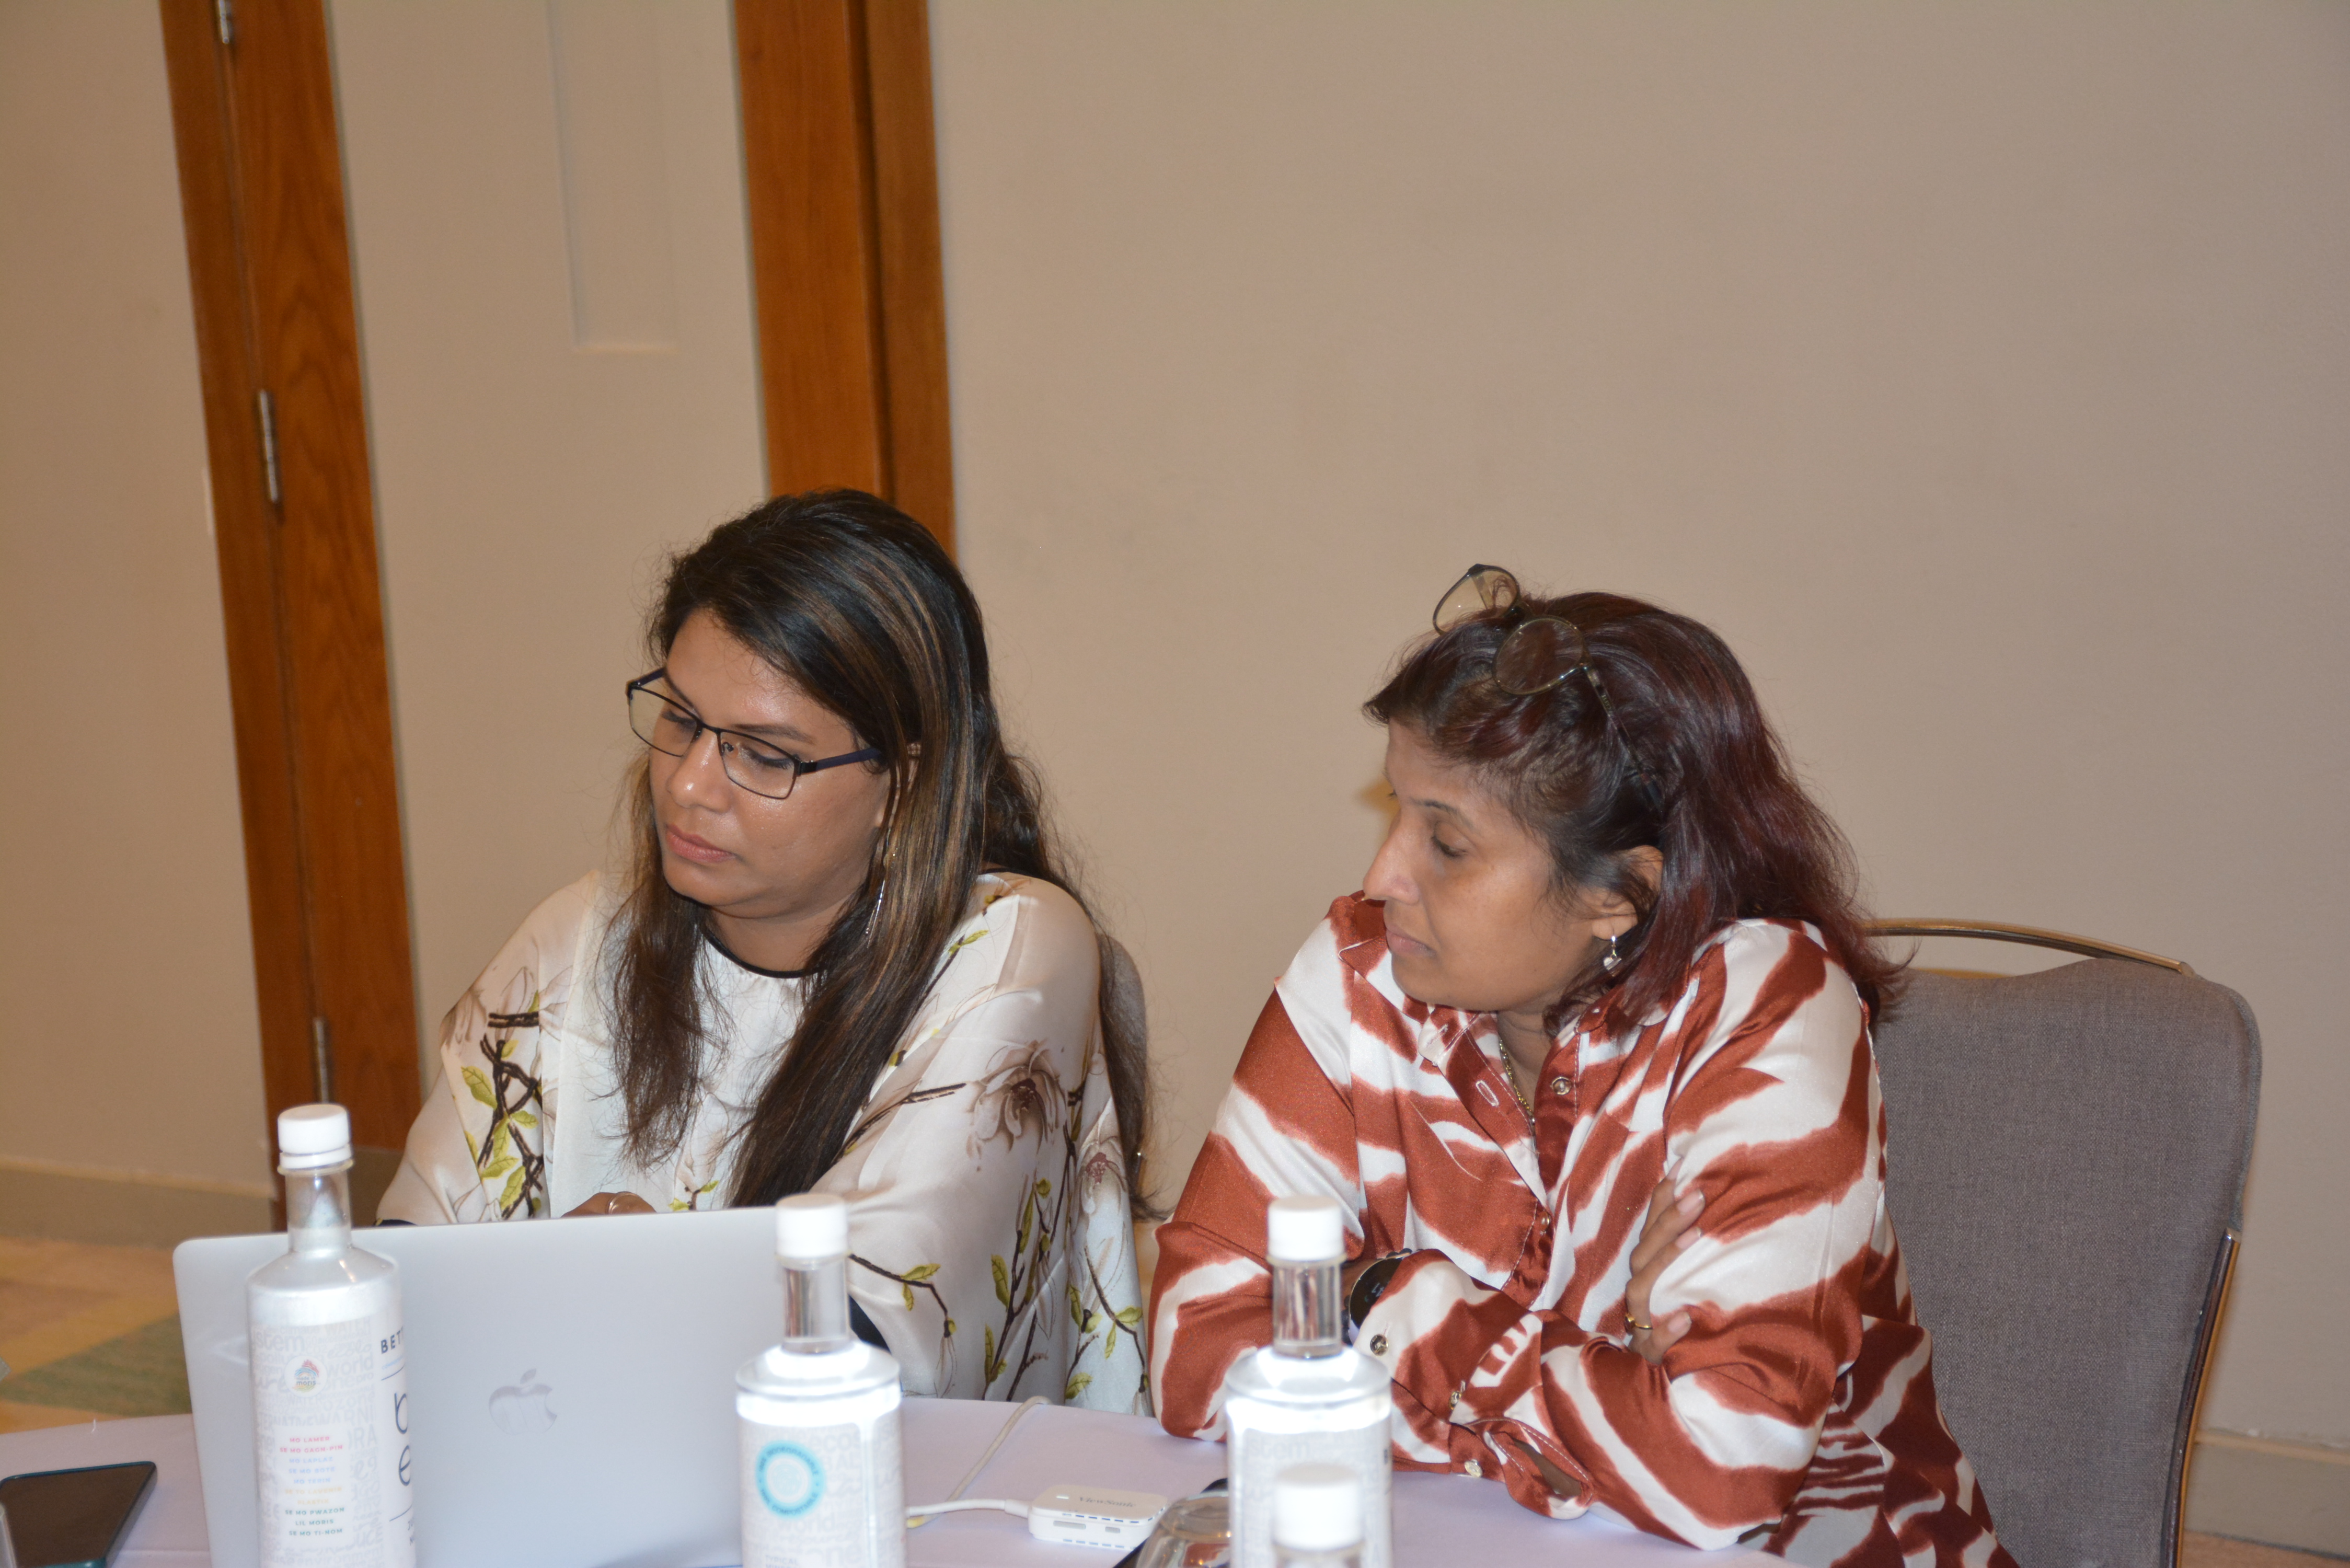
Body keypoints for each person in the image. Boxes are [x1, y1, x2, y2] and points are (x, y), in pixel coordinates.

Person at [1149, 567, 2014, 1565]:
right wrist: (1610, 1407)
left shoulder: (1766, 1004)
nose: (1382, 876)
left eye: (1447, 844)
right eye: (1397, 812)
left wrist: (1384, 1299)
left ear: (1619, 895)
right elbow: (1194, 1354)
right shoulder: (1359, 971)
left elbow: (1721, 1471)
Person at [380, 490, 1150, 1412]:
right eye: (680, 719)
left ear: (902, 785)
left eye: (764, 754)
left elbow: (868, 1339)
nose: (690, 785)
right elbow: (403, 1290)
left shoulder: (1013, 943)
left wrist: (620, 1278)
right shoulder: (576, 937)